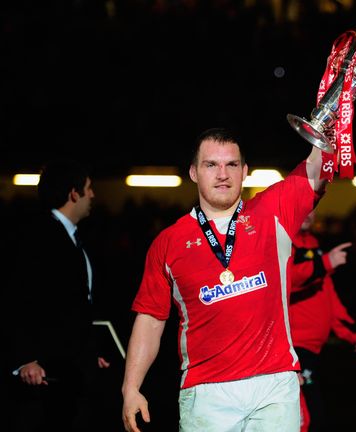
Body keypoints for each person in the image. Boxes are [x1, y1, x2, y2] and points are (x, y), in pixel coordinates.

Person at [121, 127, 328, 432]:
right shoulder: (169, 242)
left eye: (231, 165)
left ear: (245, 171)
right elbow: (151, 318)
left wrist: (331, 123)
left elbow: (316, 169)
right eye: (211, 165)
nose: (222, 174)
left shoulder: (273, 211)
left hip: (273, 384)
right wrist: (131, 387)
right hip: (206, 391)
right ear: (193, 172)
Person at [7, 159, 114, 431]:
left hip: (70, 368)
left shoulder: (73, 238)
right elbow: (18, 299)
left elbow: (75, 305)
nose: (93, 194)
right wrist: (24, 358)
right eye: (88, 188)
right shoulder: (37, 237)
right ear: (73, 193)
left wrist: (89, 351)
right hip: (44, 372)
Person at [289, 210, 356, 432]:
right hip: (292, 351)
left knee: (312, 417)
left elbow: (328, 297)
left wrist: (353, 333)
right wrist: (325, 262)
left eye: (312, 206)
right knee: (303, 419)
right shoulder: (283, 242)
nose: (307, 212)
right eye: (301, 206)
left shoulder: (312, 243)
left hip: (311, 350)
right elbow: (286, 280)